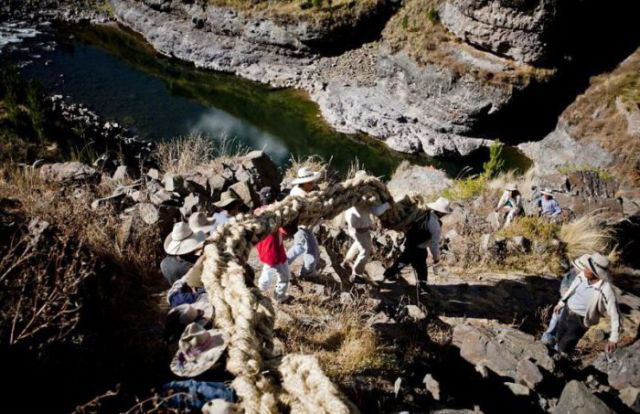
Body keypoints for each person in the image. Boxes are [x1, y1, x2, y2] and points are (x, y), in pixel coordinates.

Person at [545, 253, 620, 355]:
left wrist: (613, 338)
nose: (584, 269)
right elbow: (571, 289)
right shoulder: (582, 276)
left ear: (595, 272)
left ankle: (559, 362)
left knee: (566, 345)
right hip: (567, 311)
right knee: (558, 336)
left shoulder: (606, 290)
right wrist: (561, 303)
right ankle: (552, 356)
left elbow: (615, 314)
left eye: (587, 268)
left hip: (580, 321)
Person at [384, 197, 451, 286]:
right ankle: (422, 285)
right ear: (441, 212)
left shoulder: (424, 214)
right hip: (419, 248)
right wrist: (436, 258)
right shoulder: (435, 225)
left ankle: (388, 275)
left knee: (404, 261)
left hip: (410, 243)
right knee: (420, 267)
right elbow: (434, 244)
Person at [342, 173, 391, 281]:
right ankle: (356, 273)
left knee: (358, 243)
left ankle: (347, 261)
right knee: (365, 251)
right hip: (361, 229)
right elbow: (376, 211)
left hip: (351, 226)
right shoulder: (366, 196)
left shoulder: (351, 193)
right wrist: (388, 205)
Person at [254, 187, 291, 303]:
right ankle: (278, 296)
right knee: (282, 276)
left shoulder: (256, 212)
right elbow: (282, 229)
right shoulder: (276, 212)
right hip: (274, 249)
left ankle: (259, 294)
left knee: (267, 273)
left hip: (265, 248)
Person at [286, 167, 322, 278]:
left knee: (299, 247)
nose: (313, 184)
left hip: (300, 225)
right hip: (302, 226)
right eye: (310, 182)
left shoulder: (297, 190)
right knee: (313, 252)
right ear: (304, 183)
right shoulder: (301, 196)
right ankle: (307, 273)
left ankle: (282, 265)